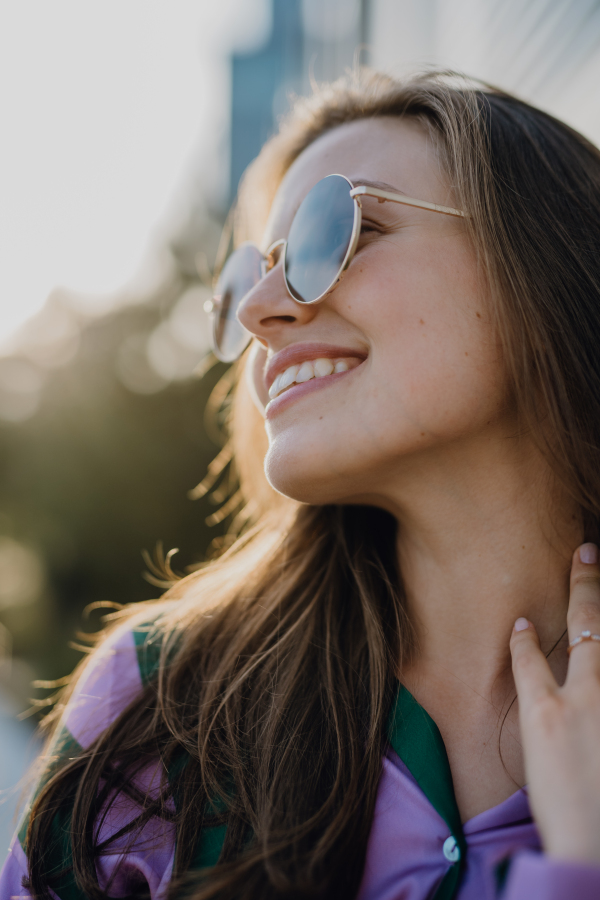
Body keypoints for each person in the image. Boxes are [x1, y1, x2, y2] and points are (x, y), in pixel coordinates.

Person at [3, 68, 600, 900]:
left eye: (338, 230)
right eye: (252, 275)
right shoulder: (159, 702)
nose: (259, 311)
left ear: (540, 258)